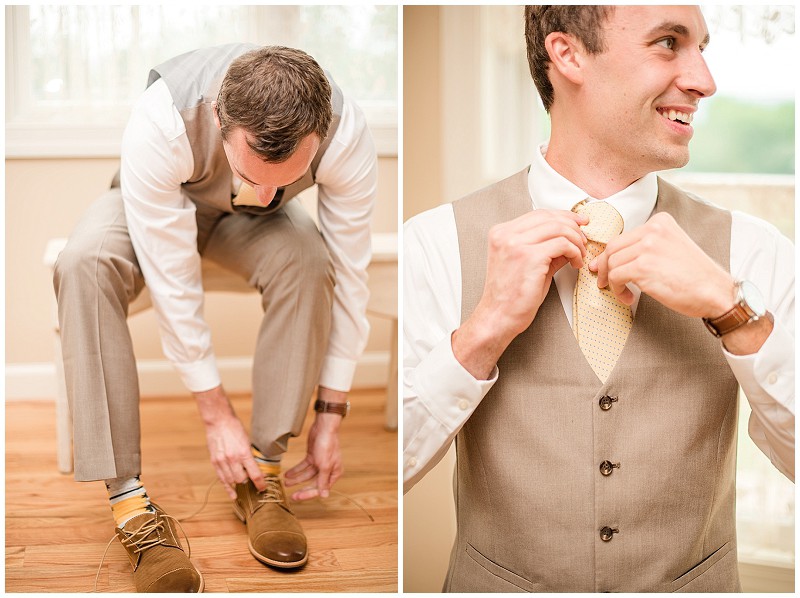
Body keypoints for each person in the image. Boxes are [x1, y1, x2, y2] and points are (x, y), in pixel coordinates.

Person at [403, 5, 793, 593]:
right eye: (668, 43)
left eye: (702, 48)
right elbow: (390, 479)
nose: (704, 81)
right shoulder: (433, 242)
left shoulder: (754, 251)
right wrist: (483, 331)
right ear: (568, 54)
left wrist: (733, 312)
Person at [53, 44, 377, 592]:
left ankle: (263, 473)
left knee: (308, 257)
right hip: (155, 203)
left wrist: (331, 412)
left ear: (319, 136)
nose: (272, 193)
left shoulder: (347, 135)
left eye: (288, 179)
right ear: (218, 120)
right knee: (84, 263)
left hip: (246, 225)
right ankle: (129, 503)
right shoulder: (162, 121)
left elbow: (349, 272)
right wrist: (214, 411)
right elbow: (172, 276)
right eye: (257, 171)